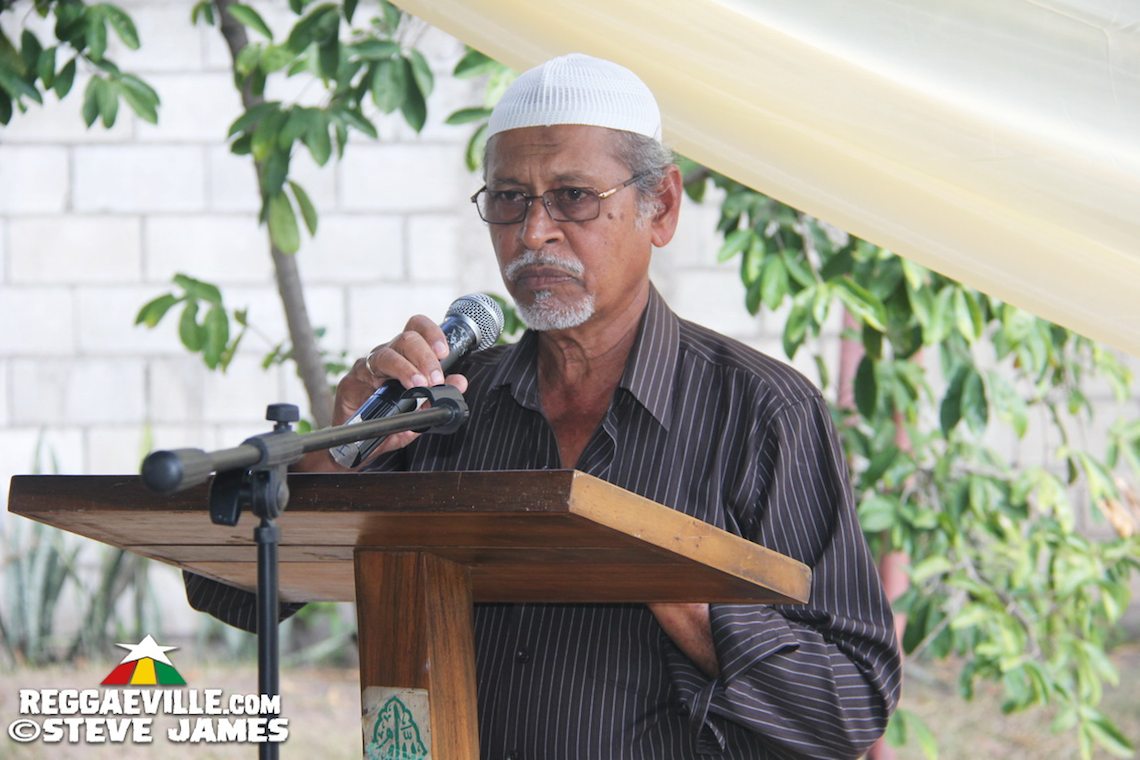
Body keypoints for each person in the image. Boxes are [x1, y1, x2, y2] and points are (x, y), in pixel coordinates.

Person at [186, 53, 901, 758]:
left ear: (662, 207)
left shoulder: (760, 413)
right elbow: (235, 596)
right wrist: (334, 451)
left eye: (574, 197)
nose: (533, 233)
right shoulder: (441, 411)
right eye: (508, 199)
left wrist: (669, 582)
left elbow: (852, 704)